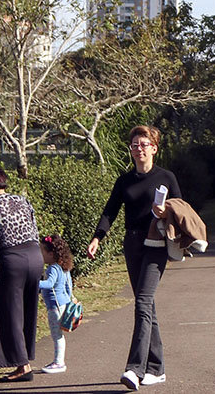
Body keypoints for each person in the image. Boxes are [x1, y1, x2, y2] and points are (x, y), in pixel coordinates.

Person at [87, 125, 180, 391]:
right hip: (133, 243)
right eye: (135, 145)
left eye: (143, 144)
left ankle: (135, 369)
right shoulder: (125, 180)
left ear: (154, 148)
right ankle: (157, 367)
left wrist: (165, 211)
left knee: (142, 300)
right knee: (146, 305)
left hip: (157, 243)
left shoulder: (166, 177)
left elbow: (182, 207)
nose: (138, 149)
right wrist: (97, 238)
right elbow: (110, 211)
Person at [0, 165, 42, 383]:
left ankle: (23, 366)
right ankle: (25, 357)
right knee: (28, 310)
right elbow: (34, 229)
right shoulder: (22, 200)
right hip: (35, 256)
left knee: (10, 313)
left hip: (11, 260)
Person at [38, 234, 74, 375]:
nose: (40, 255)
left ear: (51, 254)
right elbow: (68, 286)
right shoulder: (63, 266)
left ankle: (59, 362)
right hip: (63, 304)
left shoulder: (52, 268)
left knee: (56, 335)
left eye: (42, 252)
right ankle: (58, 361)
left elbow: (49, 284)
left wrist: (34, 283)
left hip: (55, 306)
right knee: (59, 335)